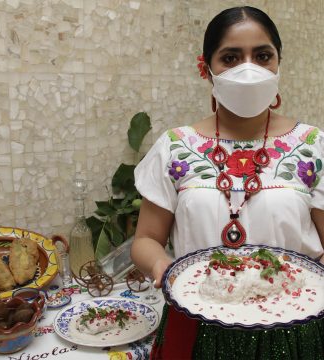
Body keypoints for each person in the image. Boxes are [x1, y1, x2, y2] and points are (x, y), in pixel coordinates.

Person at [131, 6, 324, 360]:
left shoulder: (314, 146)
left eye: (262, 56)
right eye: (231, 57)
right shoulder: (175, 147)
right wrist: (163, 267)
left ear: (278, 63)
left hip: (293, 329)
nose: (248, 69)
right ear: (207, 68)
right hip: (195, 323)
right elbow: (146, 239)